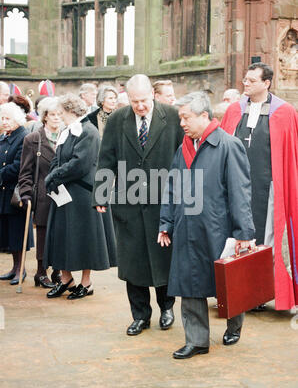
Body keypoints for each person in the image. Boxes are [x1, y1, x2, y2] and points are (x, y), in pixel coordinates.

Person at [158, 92, 255, 359]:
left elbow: (240, 192)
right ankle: (197, 340)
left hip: (218, 228)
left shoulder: (228, 145)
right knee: (189, 282)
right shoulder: (183, 149)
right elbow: (172, 188)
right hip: (187, 227)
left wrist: (244, 233)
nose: (182, 123)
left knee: (227, 281)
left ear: (204, 115)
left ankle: (234, 325)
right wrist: (166, 222)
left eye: (186, 117)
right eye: (180, 118)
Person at [92, 74, 184, 336]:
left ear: (152, 95)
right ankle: (140, 316)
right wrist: (100, 194)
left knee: (163, 259)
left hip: (162, 204)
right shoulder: (117, 119)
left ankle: (167, 308)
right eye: (134, 102)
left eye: (143, 100)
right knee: (133, 263)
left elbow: (183, 159)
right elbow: (106, 158)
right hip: (128, 206)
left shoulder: (173, 116)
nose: (140, 106)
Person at [221, 62, 298, 311]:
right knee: (237, 239)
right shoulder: (234, 110)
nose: (246, 83)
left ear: (266, 83)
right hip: (236, 188)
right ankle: (241, 294)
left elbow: (290, 155)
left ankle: (265, 293)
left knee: (267, 241)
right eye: (245, 79)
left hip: (269, 189)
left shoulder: (285, 112)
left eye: (252, 80)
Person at [43, 93, 117, 300]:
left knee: (85, 239)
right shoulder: (67, 131)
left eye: (61, 112)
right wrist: (53, 176)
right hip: (64, 193)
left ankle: (86, 283)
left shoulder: (88, 131)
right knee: (62, 237)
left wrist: (54, 176)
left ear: (70, 111)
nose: (59, 116)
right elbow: (58, 159)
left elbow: (80, 163)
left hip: (83, 193)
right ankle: (66, 279)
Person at [18, 97, 63, 289]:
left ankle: (58, 272)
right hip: (43, 193)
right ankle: (41, 272)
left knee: (61, 234)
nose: (56, 118)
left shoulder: (67, 136)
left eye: (60, 114)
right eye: (52, 115)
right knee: (44, 233)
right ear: (44, 117)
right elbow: (25, 171)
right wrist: (26, 193)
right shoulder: (33, 139)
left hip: (63, 193)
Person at [0, 102, 34, 285]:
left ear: (17, 119)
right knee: (8, 232)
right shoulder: (5, 137)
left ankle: (21, 270)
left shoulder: (24, 137)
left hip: (18, 192)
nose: (4, 122)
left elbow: (19, 165)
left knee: (18, 233)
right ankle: (14, 268)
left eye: (8, 119)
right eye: (2, 118)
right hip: (4, 192)